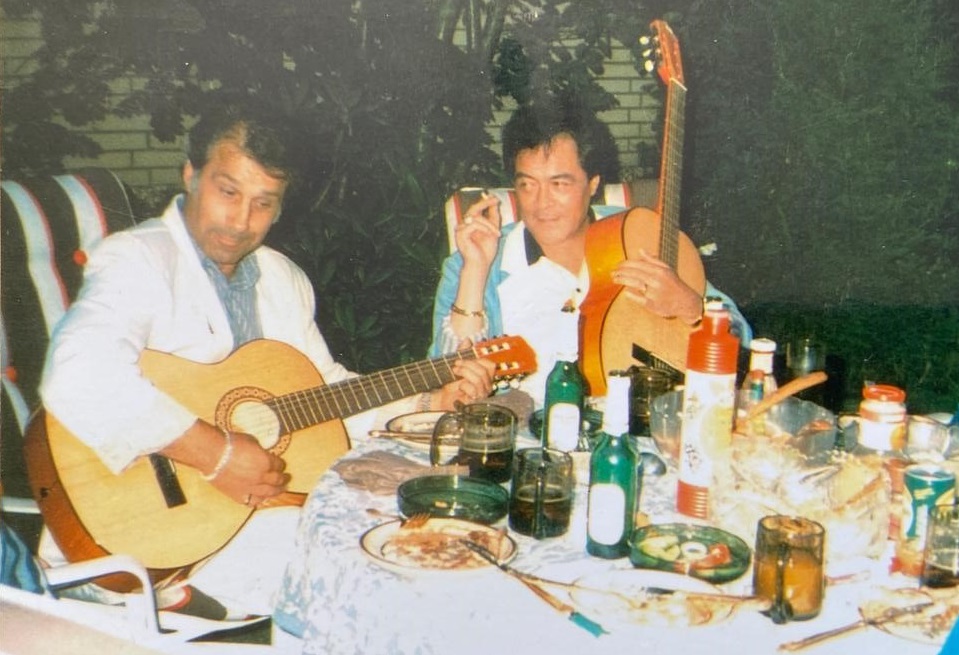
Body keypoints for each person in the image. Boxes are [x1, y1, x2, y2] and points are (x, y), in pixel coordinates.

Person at [39, 105, 495, 617]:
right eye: (227, 192)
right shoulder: (138, 259)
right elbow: (78, 371)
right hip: (136, 531)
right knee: (360, 558)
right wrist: (213, 454)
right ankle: (192, 595)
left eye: (263, 203)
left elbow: (323, 390)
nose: (240, 221)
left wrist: (428, 399)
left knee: (409, 531)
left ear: (280, 209)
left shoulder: (282, 278)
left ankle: (214, 596)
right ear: (190, 176)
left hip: (242, 519)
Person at [429, 96, 751, 404]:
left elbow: (743, 342)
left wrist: (691, 307)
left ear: (593, 184)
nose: (542, 204)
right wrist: (476, 271)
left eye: (560, 184)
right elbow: (443, 381)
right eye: (528, 185)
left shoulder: (637, 236)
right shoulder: (476, 261)